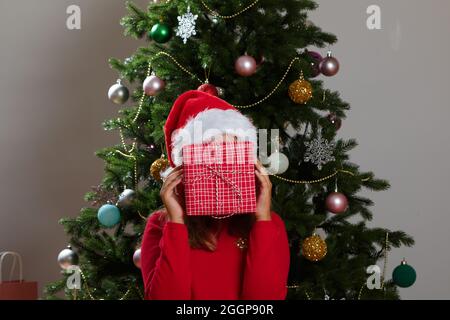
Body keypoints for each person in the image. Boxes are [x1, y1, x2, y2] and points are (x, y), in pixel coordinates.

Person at [140, 90, 290, 300]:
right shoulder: (161, 224)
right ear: (185, 166)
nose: (221, 167)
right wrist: (176, 223)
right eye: (210, 151)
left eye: (232, 151)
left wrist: (262, 220)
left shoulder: (269, 223)